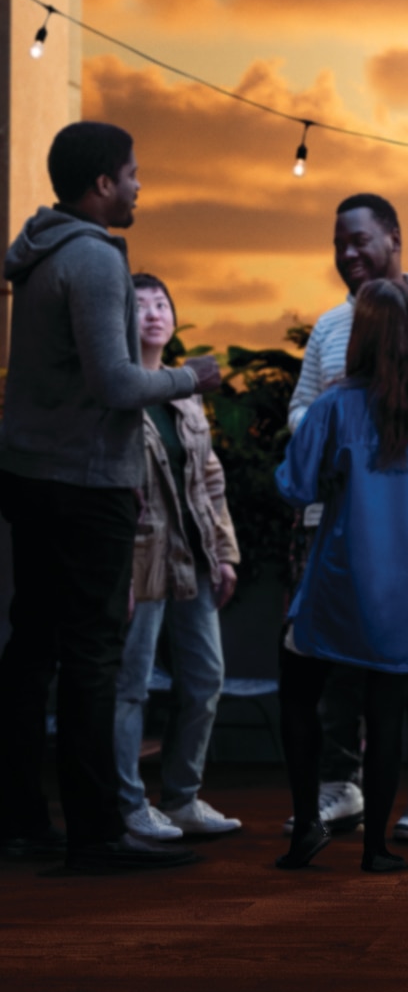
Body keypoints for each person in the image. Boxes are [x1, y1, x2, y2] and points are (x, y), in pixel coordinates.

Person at [0, 121, 219, 873]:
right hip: (87, 482)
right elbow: (118, 385)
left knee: (31, 651)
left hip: (30, 475)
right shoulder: (91, 260)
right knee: (94, 657)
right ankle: (98, 831)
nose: (137, 186)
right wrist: (195, 377)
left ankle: (24, 819)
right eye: (131, 174)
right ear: (101, 185)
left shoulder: (37, 254)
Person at [286, 193, 408, 845]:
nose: (349, 254)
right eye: (339, 245)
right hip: (332, 522)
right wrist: (334, 433)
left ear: (394, 237)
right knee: (336, 659)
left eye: (360, 240)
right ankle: (340, 787)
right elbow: (302, 410)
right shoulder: (332, 327)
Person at [114, 274, 244, 842]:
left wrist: (225, 553)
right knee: (131, 684)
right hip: (141, 562)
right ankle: (128, 804)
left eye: (160, 302)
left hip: (193, 556)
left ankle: (183, 796)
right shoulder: (118, 388)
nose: (152, 313)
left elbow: (209, 480)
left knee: (204, 676)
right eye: (138, 304)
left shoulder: (186, 390)